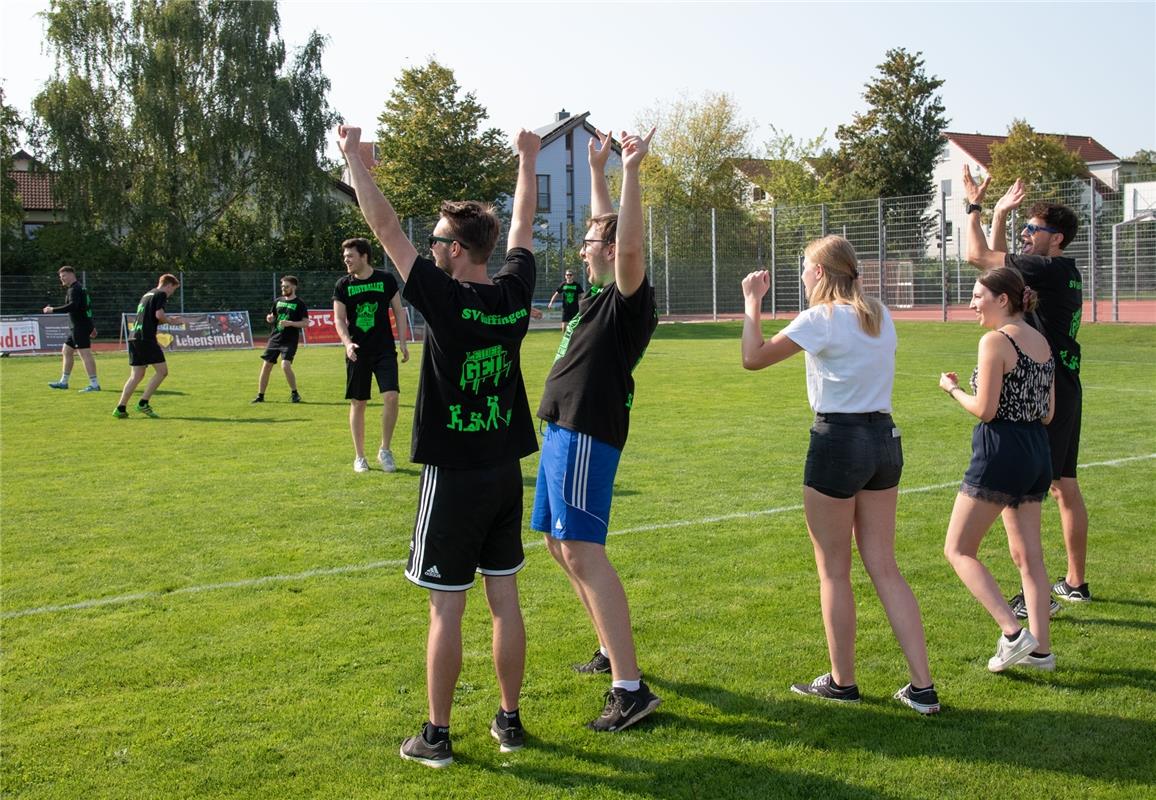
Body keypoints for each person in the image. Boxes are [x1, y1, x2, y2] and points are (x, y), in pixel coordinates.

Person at [338, 122, 540, 767]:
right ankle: (509, 722)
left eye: (438, 242)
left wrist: (352, 159)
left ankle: (437, 736)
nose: (429, 247)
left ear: (455, 251)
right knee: (503, 599)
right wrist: (528, 161)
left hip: (453, 475)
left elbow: (386, 229)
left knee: (445, 611)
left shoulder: (446, 299)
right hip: (505, 469)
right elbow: (523, 228)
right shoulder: (513, 294)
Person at [741, 235, 939, 715]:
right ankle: (923, 687)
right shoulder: (879, 314)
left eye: (806, 266)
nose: (802, 274)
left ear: (824, 273)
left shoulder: (821, 318)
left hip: (839, 441)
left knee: (834, 569)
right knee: (885, 567)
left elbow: (753, 357)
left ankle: (842, 681)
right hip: (884, 441)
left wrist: (751, 303)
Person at [533, 127, 663, 731]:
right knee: (559, 546)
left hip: (587, 431)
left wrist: (632, 172)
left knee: (585, 550)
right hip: (562, 429)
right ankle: (610, 651)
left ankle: (630, 688)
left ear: (610, 252)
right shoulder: (597, 293)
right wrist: (597, 169)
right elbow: (607, 225)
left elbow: (626, 245)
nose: (583, 245)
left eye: (591, 242)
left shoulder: (628, 296)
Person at [961, 167, 1090, 612]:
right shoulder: (1062, 270)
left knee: (1023, 493)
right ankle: (1074, 582)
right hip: (1065, 382)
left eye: (1034, 229)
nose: (1027, 233)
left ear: (1056, 238)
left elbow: (979, 256)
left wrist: (982, 208)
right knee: (1063, 485)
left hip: (1045, 385)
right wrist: (997, 215)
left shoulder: (1045, 267)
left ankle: (1036, 598)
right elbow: (999, 266)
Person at [939, 267, 1057, 672]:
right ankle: (1041, 651)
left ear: (1002, 299)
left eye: (977, 296)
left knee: (957, 549)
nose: (972, 304)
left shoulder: (994, 341)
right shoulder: (1042, 341)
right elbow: (1048, 413)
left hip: (1001, 451)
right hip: (1037, 452)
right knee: (1030, 557)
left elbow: (985, 410)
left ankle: (1014, 633)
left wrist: (953, 389)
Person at [333, 238, 410, 473]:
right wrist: (347, 344)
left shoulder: (385, 279)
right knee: (359, 402)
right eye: (345, 256)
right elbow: (338, 319)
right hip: (358, 352)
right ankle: (360, 457)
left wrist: (404, 342)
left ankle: (385, 450)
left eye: (350, 256)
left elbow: (399, 310)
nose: (346, 259)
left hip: (384, 349)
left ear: (364, 256)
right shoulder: (343, 284)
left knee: (392, 397)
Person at [114, 274, 183, 419]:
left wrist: (167, 320)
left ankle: (120, 408)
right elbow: (159, 315)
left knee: (136, 375)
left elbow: (150, 319)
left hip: (134, 337)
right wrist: (171, 321)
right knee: (162, 372)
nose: (171, 293)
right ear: (168, 285)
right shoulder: (161, 294)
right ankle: (143, 403)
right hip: (145, 338)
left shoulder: (147, 295)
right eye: (173, 290)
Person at [43, 265, 100, 392]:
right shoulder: (79, 288)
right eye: (60, 277)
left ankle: (94, 384)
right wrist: (91, 326)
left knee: (85, 354)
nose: (61, 279)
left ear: (71, 275)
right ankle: (63, 382)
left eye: (63, 276)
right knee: (66, 351)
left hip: (80, 327)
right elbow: (87, 308)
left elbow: (73, 306)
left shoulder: (75, 289)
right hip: (78, 326)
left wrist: (52, 310)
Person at [252, 276, 308, 404]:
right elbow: (271, 316)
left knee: (285, 365)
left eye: (286, 286)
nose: (283, 288)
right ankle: (260, 396)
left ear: (294, 287)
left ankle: (294, 393)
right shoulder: (277, 301)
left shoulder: (300, 304)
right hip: (275, 338)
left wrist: (290, 323)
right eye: (282, 286)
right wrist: (269, 318)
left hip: (289, 340)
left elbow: (305, 323)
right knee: (266, 366)